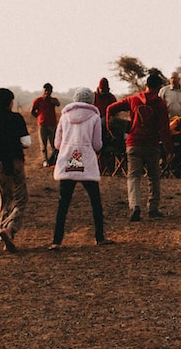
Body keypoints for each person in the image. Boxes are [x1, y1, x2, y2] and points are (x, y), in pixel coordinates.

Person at [106, 71, 173, 221]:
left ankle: (135, 206)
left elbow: (110, 109)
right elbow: (164, 129)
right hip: (151, 144)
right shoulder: (161, 105)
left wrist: (112, 130)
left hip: (133, 143)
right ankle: (153, 208)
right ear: (159, 88)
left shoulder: (133, 99)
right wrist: (169, 150)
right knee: (154, 177)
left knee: (133, 176)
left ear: (146, 85)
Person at [49, 88, 112, 248]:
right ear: (91, 100)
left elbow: (57, 144)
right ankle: (99, 237)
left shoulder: (64, 116)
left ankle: (57, 241)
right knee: (95, 201)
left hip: (68, 160)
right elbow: (97, 145)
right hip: (87, 162)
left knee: (63, 203)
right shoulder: (95, 117)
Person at [0, 87, 31, 252]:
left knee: (2, 199)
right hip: (15, 162)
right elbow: (27, 143)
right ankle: (9, 229)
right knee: (20, 198)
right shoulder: (17, 118)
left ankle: (2, 231)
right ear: (10, 102)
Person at [92, 77, 121, 175]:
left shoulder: (111, 97)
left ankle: (110, 168)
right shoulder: (93, 97)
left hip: (108, 127)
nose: (104, 93)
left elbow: (116, 111)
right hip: (95, 126)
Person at [30, 83, 62, 167]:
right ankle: (45, 160)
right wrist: (38, 117)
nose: (47, 92)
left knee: (54, 144)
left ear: (51, 91)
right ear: (43, 90)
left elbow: (58, 104)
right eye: (46, 90)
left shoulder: (53, 100)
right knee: (43, 144)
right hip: (42, 125)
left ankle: (54, 160)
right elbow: (32, 110)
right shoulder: (38, 100)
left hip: (52, 124)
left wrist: (50, 100)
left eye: (49, 90)